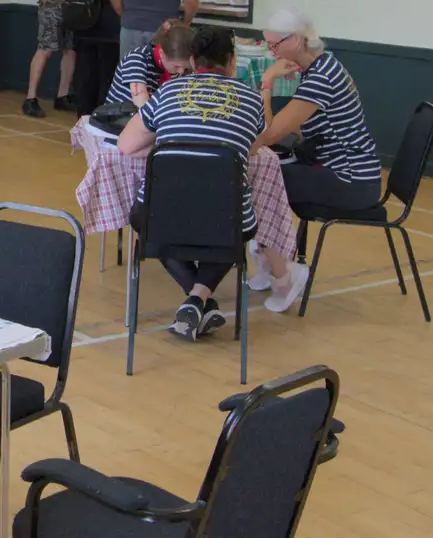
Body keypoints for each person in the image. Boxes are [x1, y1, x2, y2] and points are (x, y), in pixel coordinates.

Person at [117, 26, 303, 338]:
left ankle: (195, 299)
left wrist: (170, 145)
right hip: (226, 219)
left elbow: (125, 145)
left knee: (156, 225)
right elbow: (254, 146)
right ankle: (200, 298)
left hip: (162, 215)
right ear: (232, 61)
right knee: (230, 231)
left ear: (191, 60)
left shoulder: (166, 93)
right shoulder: (250, 100)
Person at [253, 9, 382, 214]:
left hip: (351, 181)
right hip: (355, 173)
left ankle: (270, 246)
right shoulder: (325, 65)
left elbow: (269, 135)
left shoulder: (320, 79)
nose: (272, 52)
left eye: (274, 45)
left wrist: (267, 81)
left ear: (295, 40)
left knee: (260, 177)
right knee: (270, 169)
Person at [105, 19, 193, 104]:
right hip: (119, 116)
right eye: (177, 66)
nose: (180, 72)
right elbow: (141, 105)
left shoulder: (173, 69)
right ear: (162, 53)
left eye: (185, 68)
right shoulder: (136, 60)